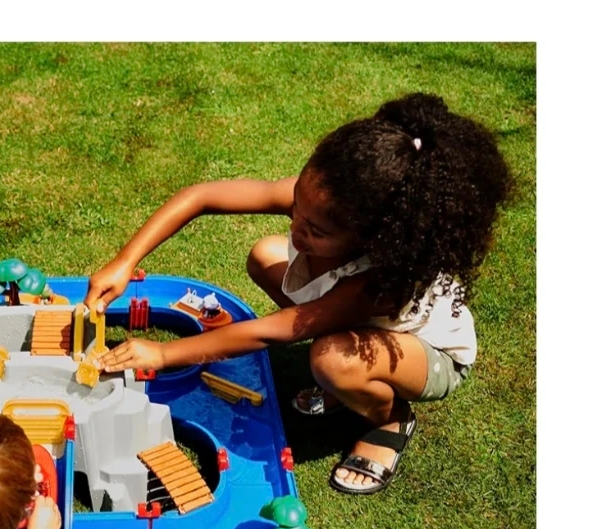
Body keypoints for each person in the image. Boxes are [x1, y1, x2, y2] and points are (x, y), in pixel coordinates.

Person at [86, 94, 512, 495]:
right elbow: (201, 197)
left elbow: (275, 331)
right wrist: (125, 261)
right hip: (361, 324)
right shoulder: (325, 198)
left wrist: (163, 355)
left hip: (428, 354)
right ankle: (348, 369)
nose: (295, 229)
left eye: (315, 230)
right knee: (265, 255)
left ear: (373, 239)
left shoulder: (378, 283)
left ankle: (390, 419)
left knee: (331, 359)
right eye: (295, 208)